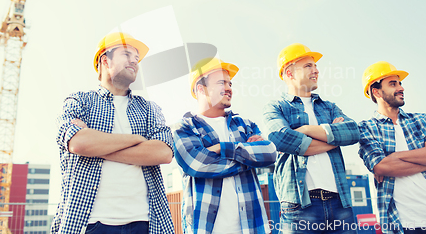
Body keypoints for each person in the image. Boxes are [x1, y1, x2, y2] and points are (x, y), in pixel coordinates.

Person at [51, 32, 175, 234]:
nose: (134, 61)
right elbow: (78, 143)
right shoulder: (79, 101)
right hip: (90, 223)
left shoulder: (149, 109)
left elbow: (163, 153)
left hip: (145, 223)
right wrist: (136, 140)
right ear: (105, 61)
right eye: (127, 54)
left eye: (137, 58)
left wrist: (97, 145)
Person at [358, 61, 426, 234]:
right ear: (376, 91)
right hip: (403, 226)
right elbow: (381, 166)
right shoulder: (366, 128)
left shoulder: (421, 120)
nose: (401, 88)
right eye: (393, 84)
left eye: (400, 83)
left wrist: (393, 157)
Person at [173, 57, 277, 234]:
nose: (229, 88)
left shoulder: (244, 124)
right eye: (222, 83)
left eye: (230, 84)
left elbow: (269, 153)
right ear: (201, 88)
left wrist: (222, 148)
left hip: (252, 228)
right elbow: (198, 164)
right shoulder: (184, 127)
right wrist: (248, 157)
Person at [263, 43, 359, 234]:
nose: (316, 70)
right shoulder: (276, 107)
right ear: (289, 73)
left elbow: (353, 132)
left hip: (340, 202)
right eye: (308, 66)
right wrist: (333, 139)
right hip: (299, 206)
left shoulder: (329, 107)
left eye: (315, 66)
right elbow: (280, 138)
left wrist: (305, 129)